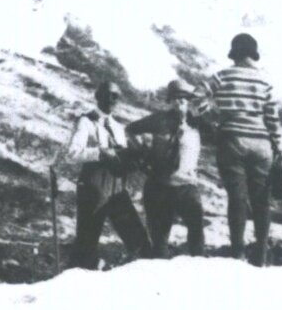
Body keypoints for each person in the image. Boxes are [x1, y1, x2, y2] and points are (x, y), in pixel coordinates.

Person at [55, 81, 149, 270]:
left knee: (139, 241)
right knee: (86, 244)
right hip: (93, 187)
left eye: (116, 96)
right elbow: (72, 154)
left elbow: (124, 158)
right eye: (108, 95)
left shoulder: (118, 127)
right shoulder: (86, 121)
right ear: (98, 97)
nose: (112, 100)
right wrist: (100, 152)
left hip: (117, 188)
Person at [210, 33, 282, 265]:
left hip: (232, 140)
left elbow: (197, 96)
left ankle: (238, 252)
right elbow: (272, 118)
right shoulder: (264, 81)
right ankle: (261, 254)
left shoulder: (223, 76)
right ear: (254, 54)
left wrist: (213, 119)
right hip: (261, 145)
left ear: (235, 54)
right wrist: (277, 147)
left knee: (237, 198)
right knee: (261, 200)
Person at [127, 81, 207, 258]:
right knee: (160, 240)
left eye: (184, 99)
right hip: (159, 186)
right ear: (170, 101)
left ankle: (199, 275)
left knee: (197, 234)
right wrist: (143, 152)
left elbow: (220, 134)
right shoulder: (159, 119)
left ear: (190, 101)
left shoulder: (198, 123)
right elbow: (131, 130)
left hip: (187, 186)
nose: (180, 102)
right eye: (175, 99)